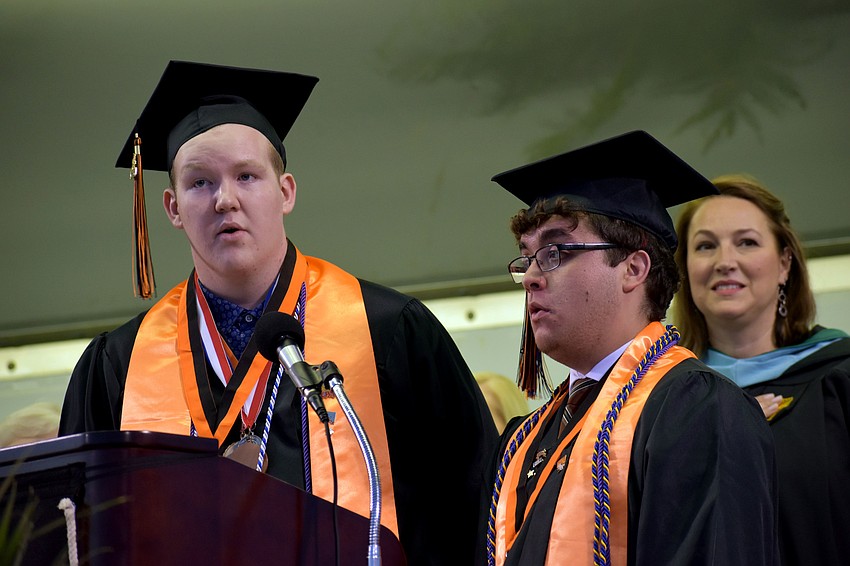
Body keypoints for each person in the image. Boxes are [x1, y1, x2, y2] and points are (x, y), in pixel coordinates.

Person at [57, 60, 498, 566]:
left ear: (285, 191)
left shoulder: (388, 333)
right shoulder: (118, 365)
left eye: (247, 176)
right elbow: (74, 535)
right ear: (172, 208)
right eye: (199, 183)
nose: (225, 200)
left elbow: (473, 514)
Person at [481, 131, 778, 566]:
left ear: (633, 269)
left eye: (556, 252)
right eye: (527, 258)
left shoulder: (697, 411)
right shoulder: (525, 440)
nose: (530, 277)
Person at [671, 173, 850, 566]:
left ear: (785, 263)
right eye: (705, 246)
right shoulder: (664, 397)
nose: (725, 262)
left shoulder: (839, 378)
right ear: (683, 269)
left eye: (747, 242)